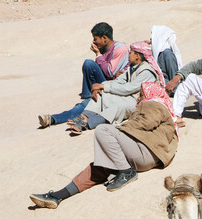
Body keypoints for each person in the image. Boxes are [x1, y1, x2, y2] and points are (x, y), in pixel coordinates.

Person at [30, 83, 178, 209]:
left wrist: (118, 128)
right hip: (142, 153)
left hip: (147, 151)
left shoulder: (154, 104)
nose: (138, 98)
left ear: (149, 94)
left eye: (141, 94)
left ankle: (126, 172)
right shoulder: (152, 106)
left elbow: (145, 123)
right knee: (98, 166)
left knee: (103, 130)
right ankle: (57, 196)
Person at [38, 22, 129, 128]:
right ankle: (88, 97)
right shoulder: (104, 48)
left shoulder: (120, 49)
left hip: (113, 87)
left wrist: (98, 55)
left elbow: (109, 72)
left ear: (104, 38)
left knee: (82, 106)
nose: (94, 42)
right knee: (88, 64)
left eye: (95, 39)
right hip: (105, 84)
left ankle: (53, 119)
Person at [68, 41, 165, 133]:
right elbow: (118, 81)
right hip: (129, 97)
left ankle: (87, 123)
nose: (129, 55)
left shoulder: (146, 71)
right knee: (102, 94)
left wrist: (103, 86)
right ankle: (84, 115)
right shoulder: (132, 68)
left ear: (137, 56)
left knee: (118, 106)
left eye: (131, 53)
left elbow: (129, 89)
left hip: (139, 102)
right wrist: (100, 87)